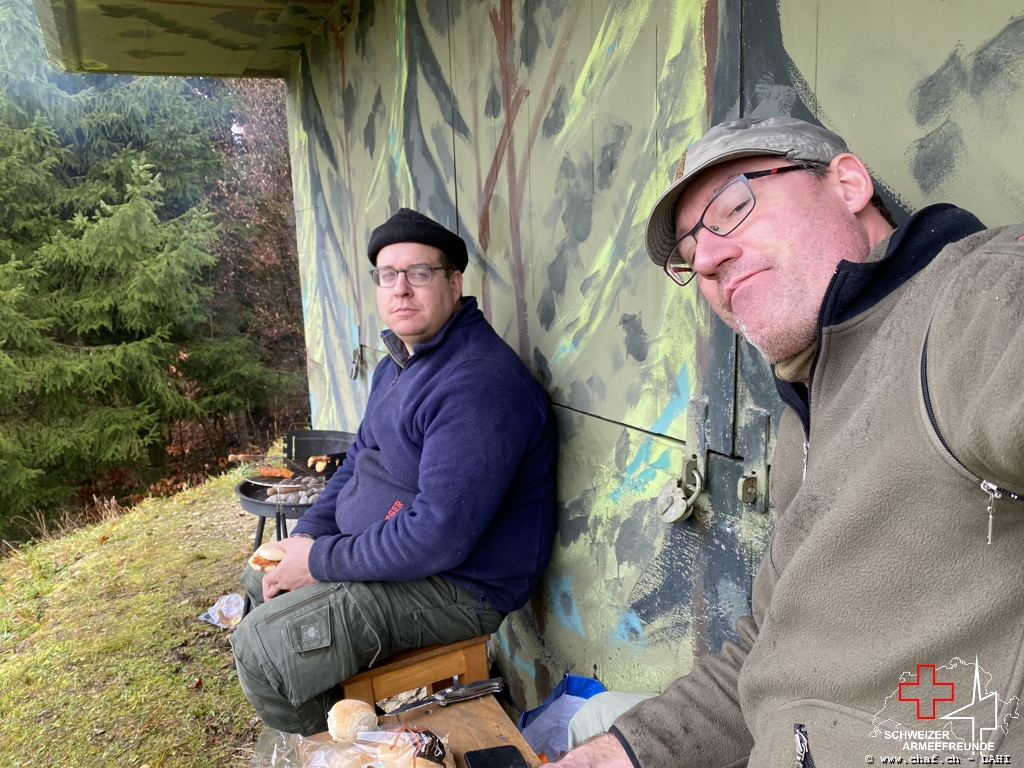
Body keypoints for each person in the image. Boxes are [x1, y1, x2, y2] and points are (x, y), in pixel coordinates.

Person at [559, 117, 1024, 766]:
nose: (710, 258)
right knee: (587, 727)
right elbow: (774, 643)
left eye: (734, 207)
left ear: (849, 183)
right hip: (780, 737)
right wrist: (633, 752)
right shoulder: (808, 405)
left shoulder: (969, 304)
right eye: (691, 251)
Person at [230, 208, 558, 737]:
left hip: (459, 586)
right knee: (261, 574)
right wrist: (310, 534)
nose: (401, 288)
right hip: (409, 556)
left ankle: (344, 742)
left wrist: (318, 561)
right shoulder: (400, 360)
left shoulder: (477, 383)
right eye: (388, 275)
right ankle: (356, 717)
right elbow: (357, 460)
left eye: (419, 273)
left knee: (264, 652)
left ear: (454, 283)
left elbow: (437, 537)